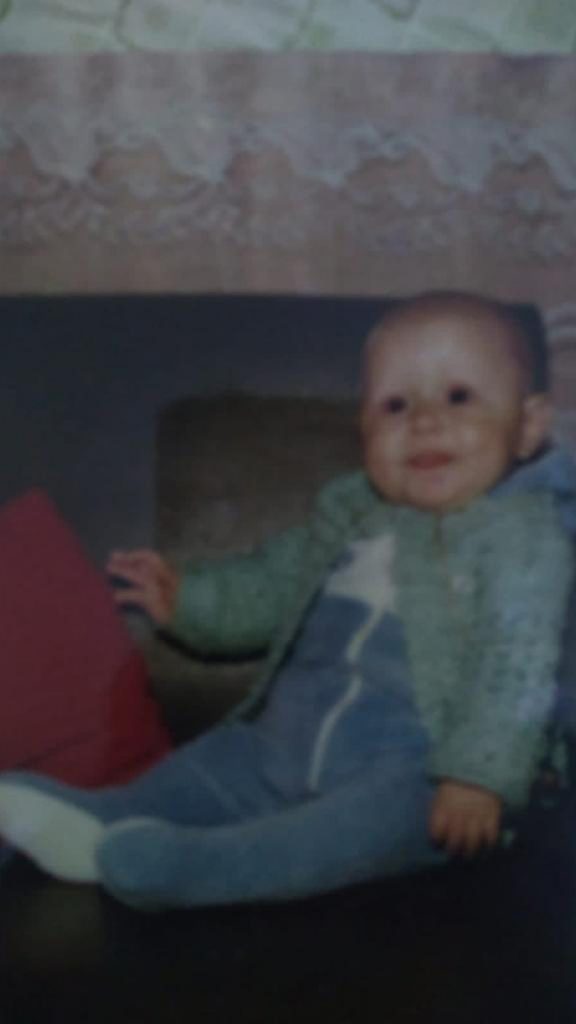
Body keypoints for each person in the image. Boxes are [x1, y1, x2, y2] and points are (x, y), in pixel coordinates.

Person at [0, 291, 574, 911]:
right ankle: (97, 819)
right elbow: (271, 585)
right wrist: (190, 600)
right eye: (395, 404)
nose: (424, 421)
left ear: (528, 426)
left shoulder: (523, 539)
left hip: (421, 771)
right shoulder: (348, 516)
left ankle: (200, 870)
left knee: (352, 827)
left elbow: (515, 666)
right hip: (283, 744)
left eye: (459, 396)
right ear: (364, 430)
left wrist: (478, 774)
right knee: (213, 762)